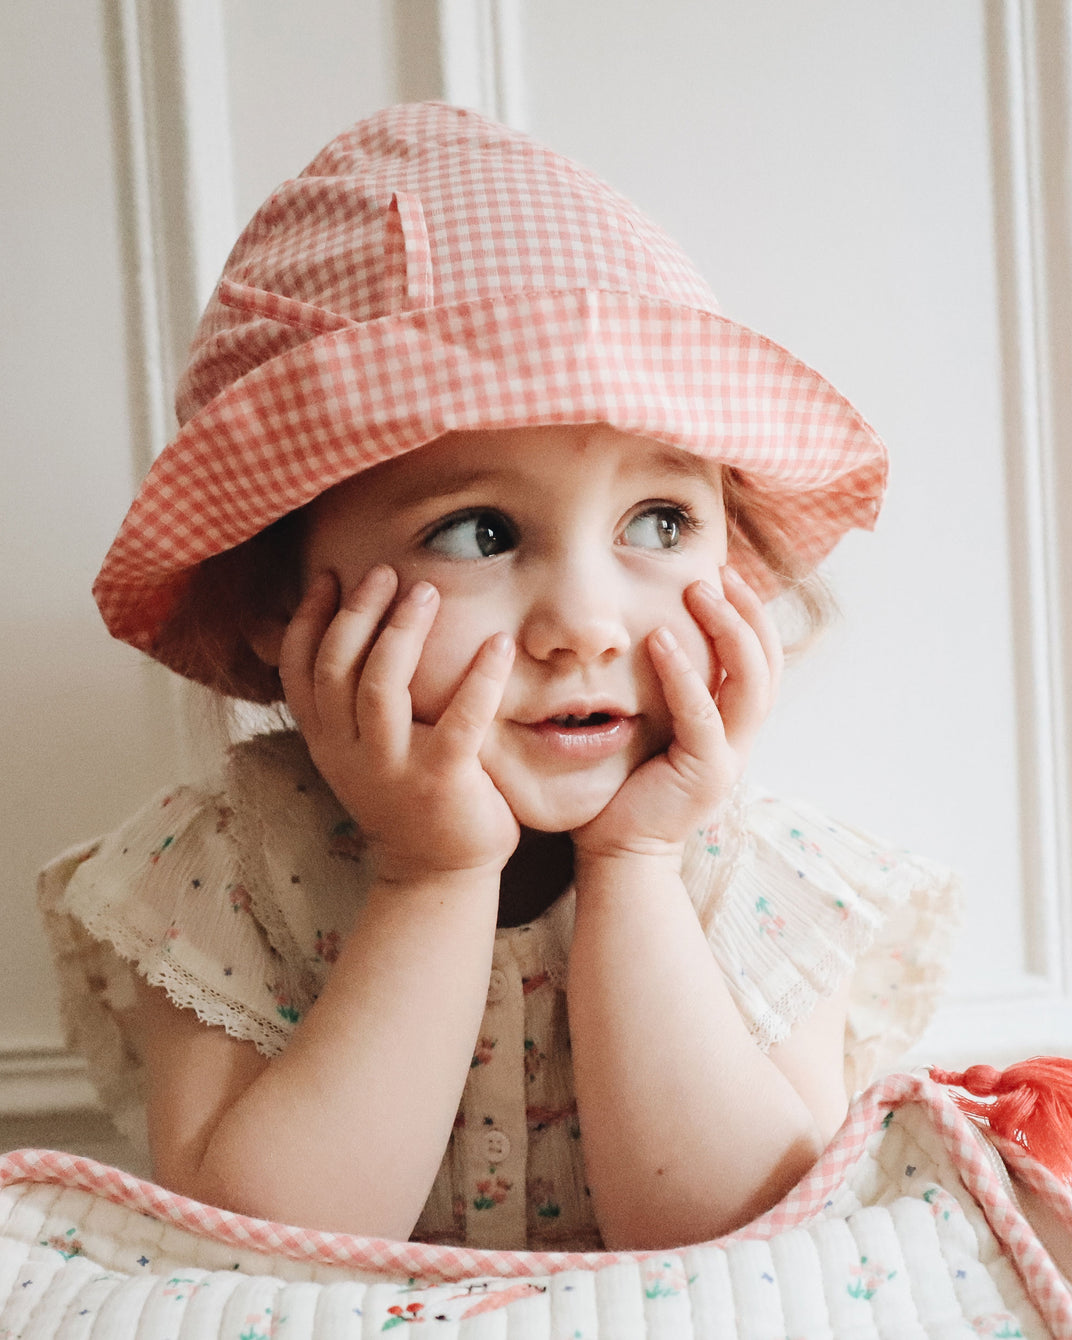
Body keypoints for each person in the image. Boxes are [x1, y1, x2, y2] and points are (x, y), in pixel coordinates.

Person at [39, 102, 958, 1253]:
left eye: (659, 517)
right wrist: (431, 874)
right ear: (282, 599)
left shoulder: (766, 879)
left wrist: (636, 862)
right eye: (478, 531)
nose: (584, 623)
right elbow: (249, 1253)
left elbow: (738, 1248)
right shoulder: (225, 869)